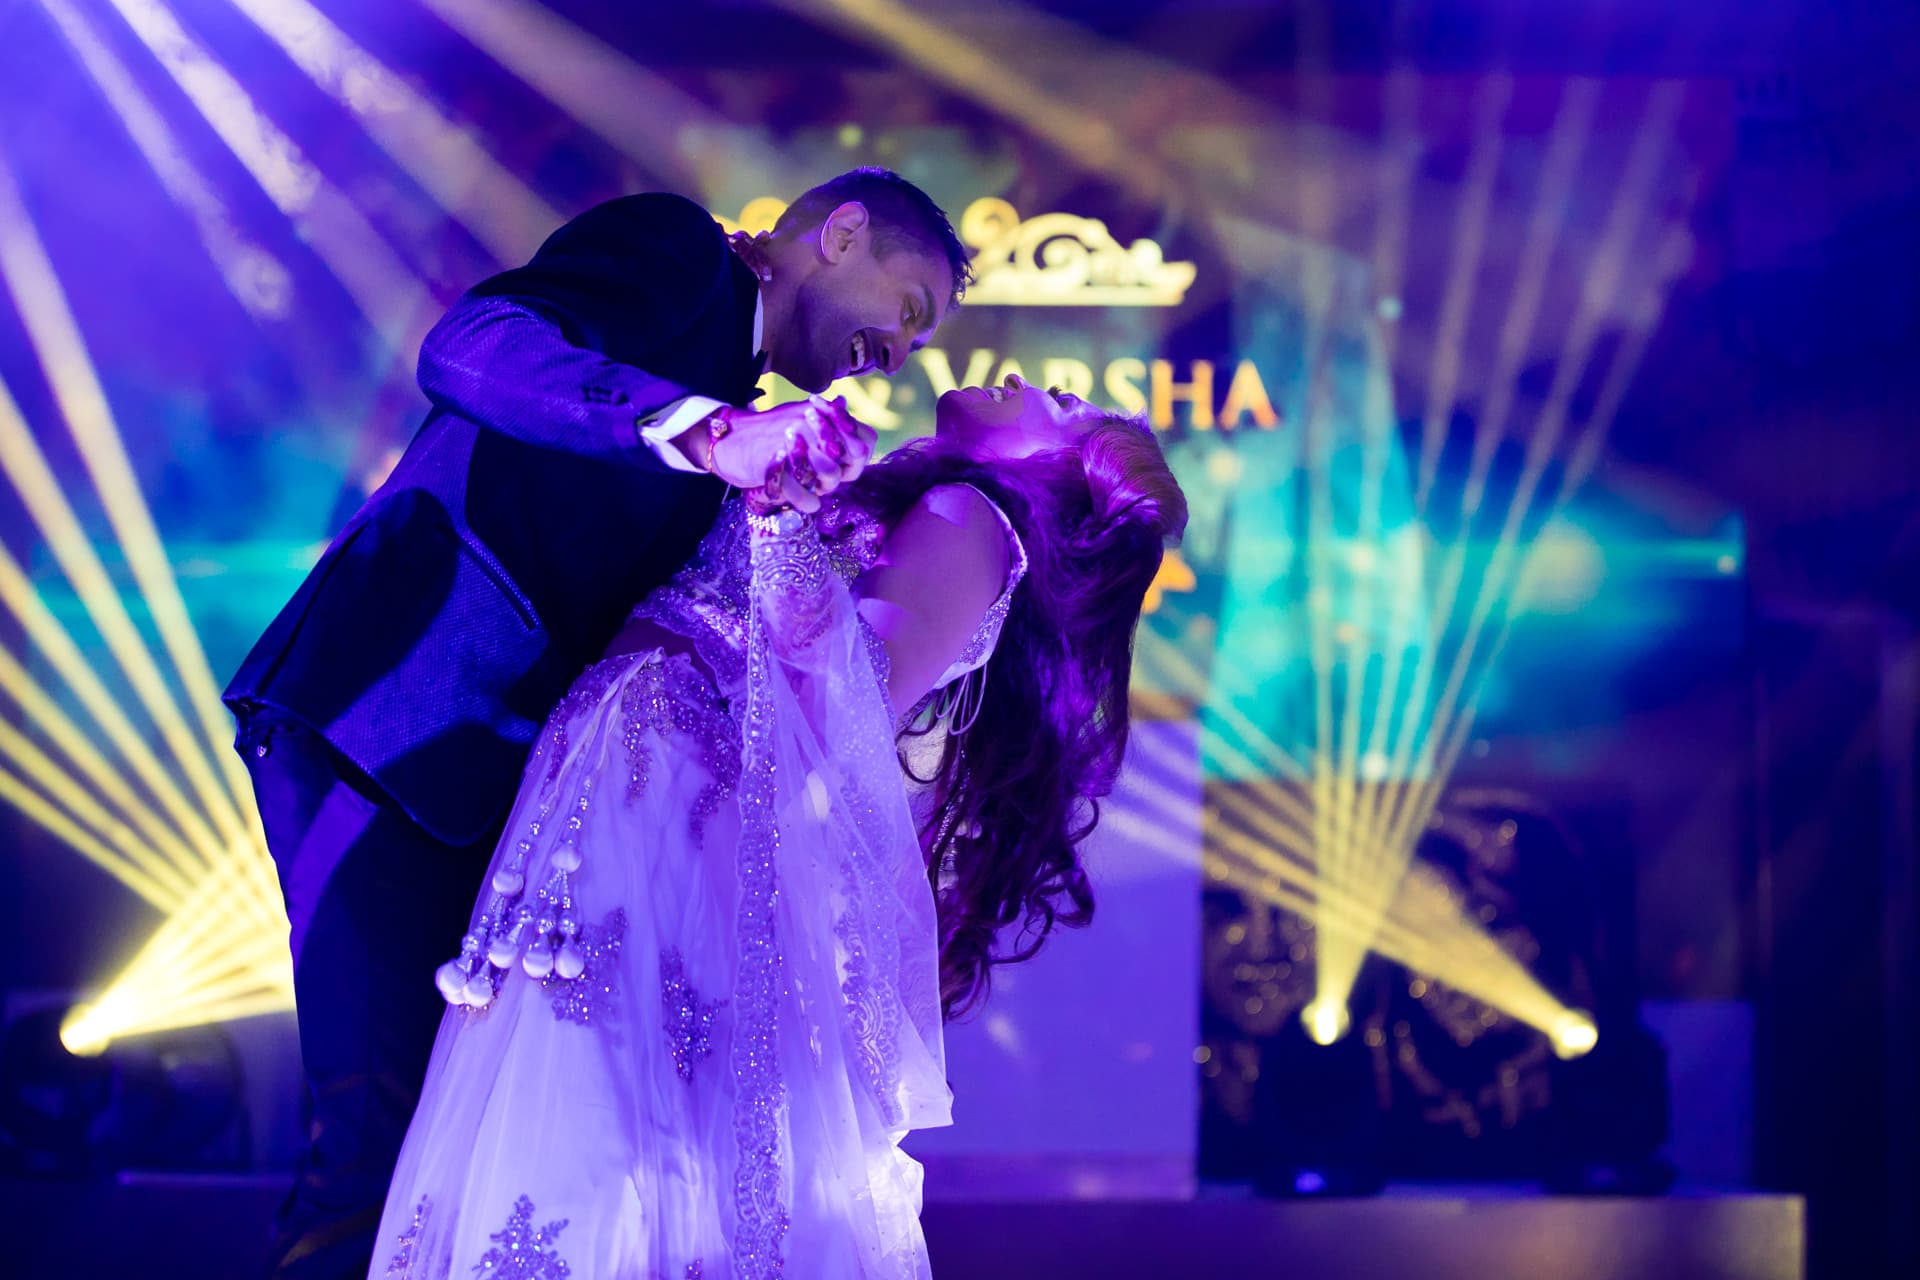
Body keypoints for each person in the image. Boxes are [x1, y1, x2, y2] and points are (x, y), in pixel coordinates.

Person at [225, 169, 969, 1280]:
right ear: (843, 233)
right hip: (387, 727)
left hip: (486, 799)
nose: (898, 353)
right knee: (370, 1158)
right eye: (906, 310)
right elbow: (472, 345)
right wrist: (710, 432)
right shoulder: (682, 258)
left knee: (444, 1165)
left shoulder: (740, 398)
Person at [369, 373, 1187, 1278]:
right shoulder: (938, 507)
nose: (1042, 382)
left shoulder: (974, 520)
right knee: (595, 1123)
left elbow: (847, 699)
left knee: (603, 1124)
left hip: (672, 797)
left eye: (1068, 411)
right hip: (645, 781)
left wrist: (777, 515)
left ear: (1066, 472)